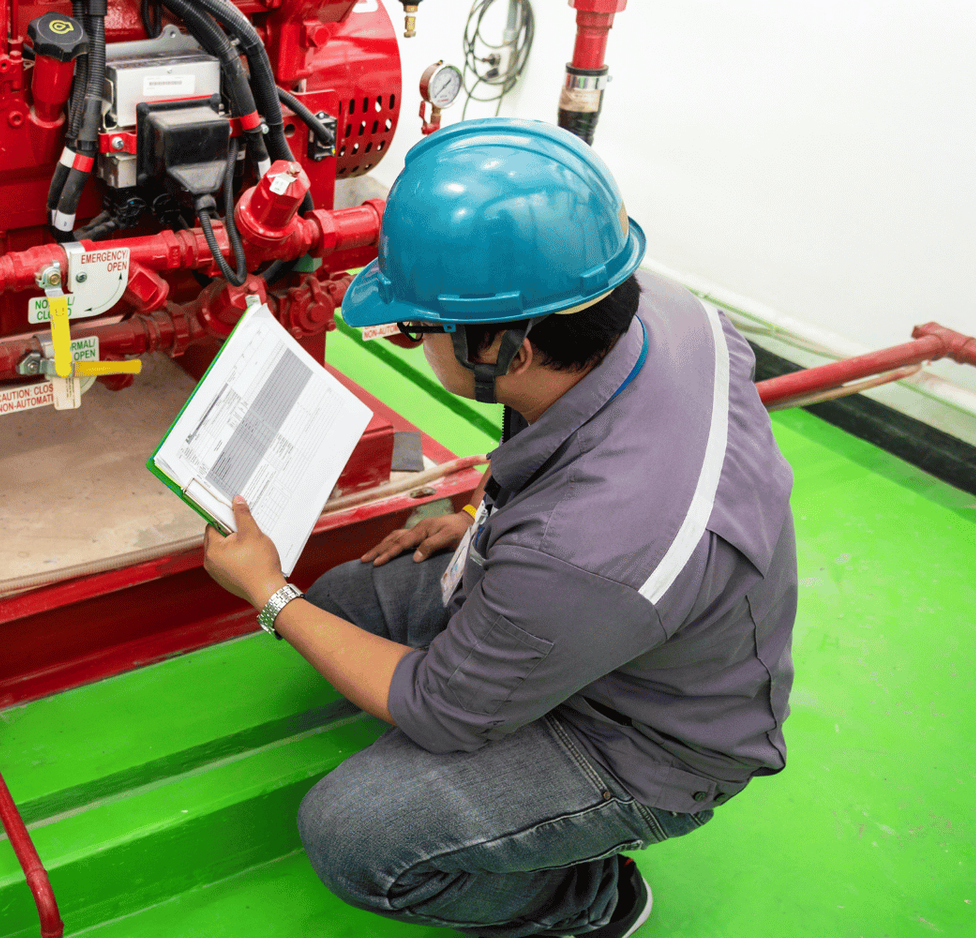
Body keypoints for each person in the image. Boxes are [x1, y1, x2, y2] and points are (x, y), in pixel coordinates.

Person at [202, 118, 797, 937]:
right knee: (344, 601)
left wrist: (269, 592)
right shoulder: (666, 310)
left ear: (508, 350)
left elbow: (440, 706)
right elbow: (573, 469)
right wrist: (489, 516)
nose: (412, 344)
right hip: (602, 619)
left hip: (647, 742)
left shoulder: (581, 551)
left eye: (418, 330)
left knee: (353, 835)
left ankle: (587, 901)